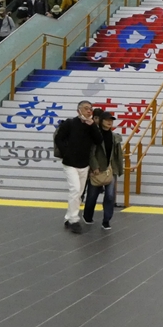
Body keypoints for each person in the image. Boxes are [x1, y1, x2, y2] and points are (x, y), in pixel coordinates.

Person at [54, 100, 103, 234]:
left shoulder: (91, 126)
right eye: (86, 108)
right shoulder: (70, 123)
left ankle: (68, 217)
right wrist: (66, 153)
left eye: (90, 109)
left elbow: (99, 140)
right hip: (70, 164)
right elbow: (59, 138)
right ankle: (74, 220)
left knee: (79, 193)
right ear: (78, 110)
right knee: (75, 189)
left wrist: (92, 125)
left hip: (84, 164)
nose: (89, 111)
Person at [82, 112, 122, 230]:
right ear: (101, 121)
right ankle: (87, 216)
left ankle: (106, 220)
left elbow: (118, 155)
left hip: (110, 170)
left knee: (110, 196)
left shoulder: (115, 136)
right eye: (106, 120)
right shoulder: (96, 135)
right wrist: (94, 166)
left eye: (111, 120)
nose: (109, 122)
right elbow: (91, 152)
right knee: (92, 196)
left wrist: (118, 168)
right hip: (98, 170)